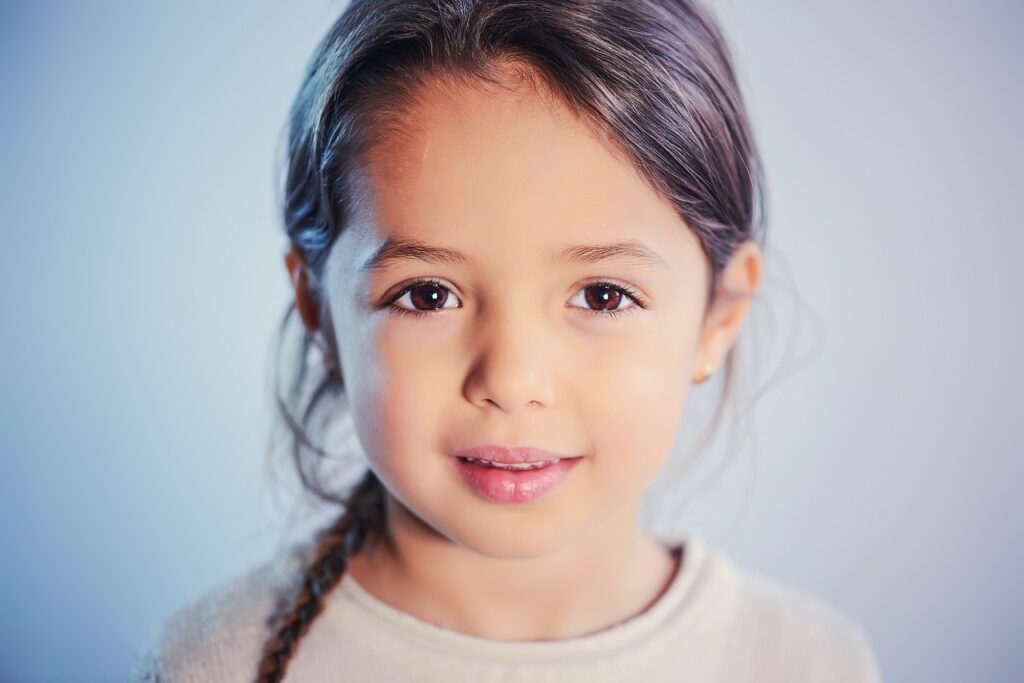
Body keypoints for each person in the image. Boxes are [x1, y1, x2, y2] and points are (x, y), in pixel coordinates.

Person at [138, 0, 883, 680]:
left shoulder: (806, 662)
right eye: (428, 294)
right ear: (318, 306)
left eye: (602, 295)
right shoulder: (213, 662)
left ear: (718, 315)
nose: (512, 377)